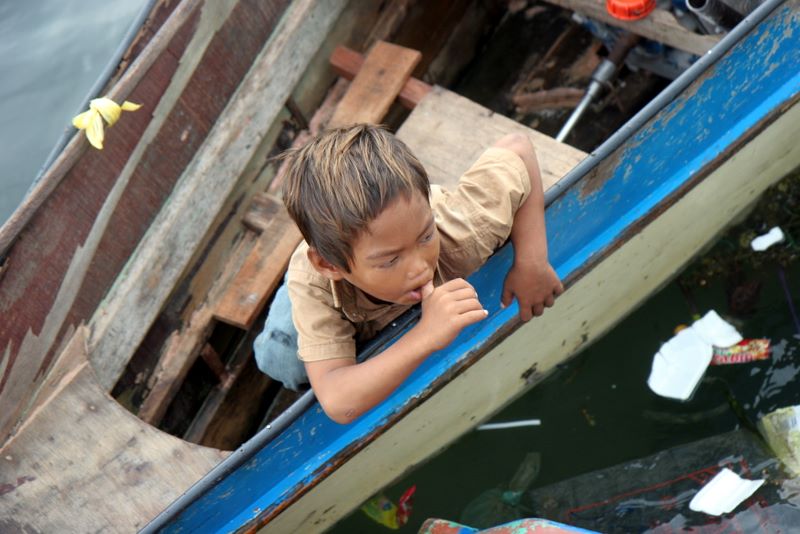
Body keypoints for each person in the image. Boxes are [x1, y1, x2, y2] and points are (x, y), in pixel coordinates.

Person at [254, 124, 563, 424]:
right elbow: (338, 402)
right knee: (283, 362)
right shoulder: (316, 283)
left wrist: (532, 262)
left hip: (368, 253)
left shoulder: (460, 232)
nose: (420, 268)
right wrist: (425, 335)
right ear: (329, 265)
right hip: (330, 291)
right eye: (390, 261)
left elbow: (518, 149)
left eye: (426, 237)